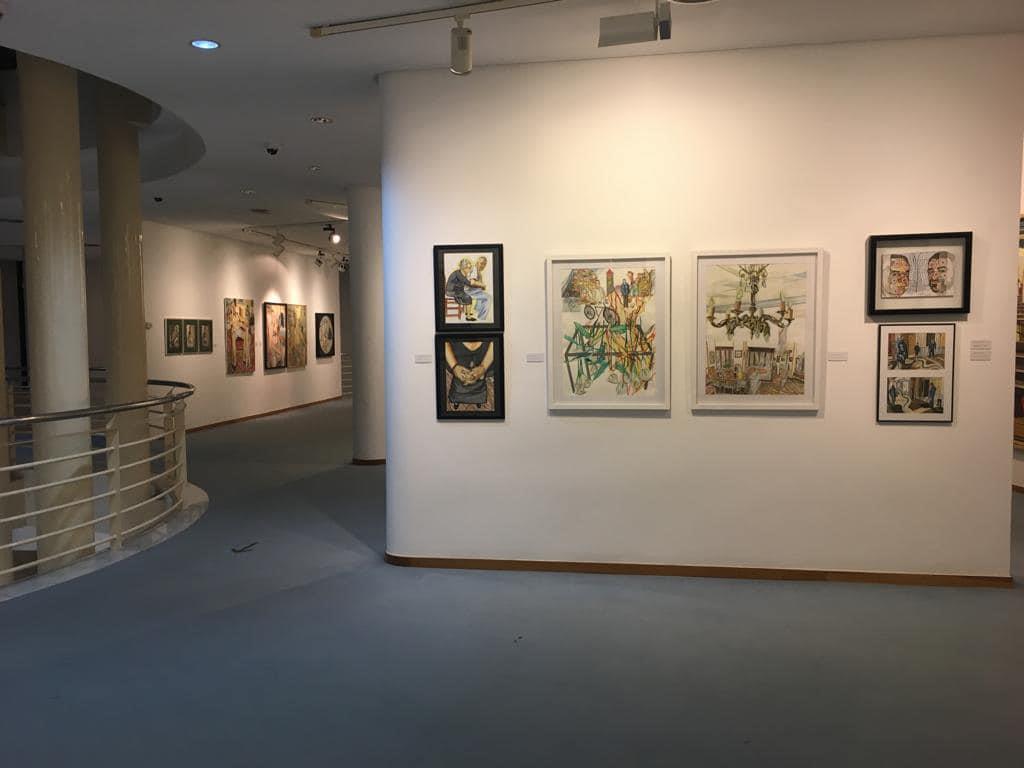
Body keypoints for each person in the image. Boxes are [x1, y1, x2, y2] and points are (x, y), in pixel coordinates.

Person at [443, 338, 494, 408]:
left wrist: (484, 367)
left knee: (479, 385)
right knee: (458, 386)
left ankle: (478, 401)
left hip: (484, 360)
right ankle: (457, 401)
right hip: (455, 356)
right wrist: (454, 366)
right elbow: (443, 340)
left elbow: (495, 340)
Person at [465, 255, 491, 322]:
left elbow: (480, 286)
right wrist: (483, 285)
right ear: (477, 263)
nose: (483, 266)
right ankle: (481, 317)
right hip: (468, 291)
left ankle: (476, 311)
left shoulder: (478, 272)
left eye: (484, 264)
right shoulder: (474, 269)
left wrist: (482, 286)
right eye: (481, 263)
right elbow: (472, 282)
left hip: (470, 290)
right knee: (488, 297)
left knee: (482, 293)